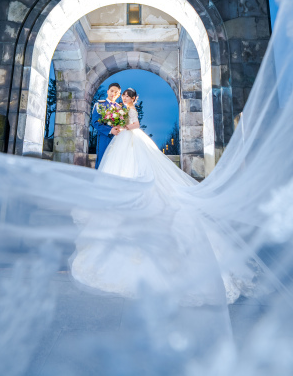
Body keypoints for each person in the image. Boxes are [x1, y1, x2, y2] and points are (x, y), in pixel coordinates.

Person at [72, 87, 255, 306]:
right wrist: (117, 126)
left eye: (126, 96)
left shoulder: (129, 109)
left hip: (129, 137)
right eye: (122, 95)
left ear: (132, 98)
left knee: (138, 169)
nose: (123, 98)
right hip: (121, 140)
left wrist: (122, 126)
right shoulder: (116, 107)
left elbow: (136, 125)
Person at [90, 83, 121, 169]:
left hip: (117, 138)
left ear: (118, 95)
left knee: (115, 162)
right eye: (112, 91)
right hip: (104, 137)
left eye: (116, 92)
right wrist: (110, 130)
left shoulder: (119, 108)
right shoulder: (100, 105)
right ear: (107, 91)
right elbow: (95, 122)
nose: (113, 94)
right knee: (102, 160)